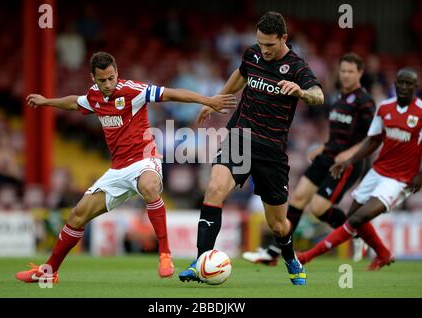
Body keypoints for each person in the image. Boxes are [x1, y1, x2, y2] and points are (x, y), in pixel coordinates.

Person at [15, 51, 236, 283]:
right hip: (118, 170)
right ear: (93, 78)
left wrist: (208, 100)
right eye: (103, 80)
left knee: (149, 187)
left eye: (112, 78)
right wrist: (47, 101)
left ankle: (165, 254)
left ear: (117, 73)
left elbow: (172, 94)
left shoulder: (132, 91)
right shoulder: (94, 97)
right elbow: (74, 102)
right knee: (77, 215)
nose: (108, 84)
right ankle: (48, 272)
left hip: (145, 159)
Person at [179, 12, 324, 285]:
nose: (264, 50)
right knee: (214, 189)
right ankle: (200, 262)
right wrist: (213, 101)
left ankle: (291, 257)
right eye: (260, 43)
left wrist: (301, 92)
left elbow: (319, 95)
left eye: (270, 45)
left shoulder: (297, 67)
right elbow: (240, 74)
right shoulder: (252, 54)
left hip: (271, 151)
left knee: (278, 225)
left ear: (284, 39)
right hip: (240, 137)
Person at [242, 53, 376, 266]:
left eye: (351, 71)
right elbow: (338, 133)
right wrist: (323, 146)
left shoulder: (365, 102)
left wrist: (350, 154)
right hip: (327, 156)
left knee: (318, 208)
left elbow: (372, 137)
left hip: (345, 164)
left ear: (359, 73)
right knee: (297, 200)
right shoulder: (338, 97)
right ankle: (274, 252)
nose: (346, 76)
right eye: (343, 71)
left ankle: (358, 232)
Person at [297, 68, 422, 270]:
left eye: (409, 83)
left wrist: (420, 175)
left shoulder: (421, 112)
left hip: (399, 179)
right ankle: (383, 253)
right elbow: (373, 140)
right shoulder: (385, 108)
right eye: (401, 82)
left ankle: (306, 256)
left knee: (358, 218)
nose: (405, 87)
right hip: (378, 171)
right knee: (353, 215)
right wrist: (350, 160)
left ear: (416, 87)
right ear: (395, 84)